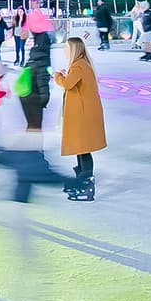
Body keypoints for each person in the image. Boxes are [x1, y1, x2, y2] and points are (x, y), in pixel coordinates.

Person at [54, 37, 106, 201]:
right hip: (83, 113)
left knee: (83, 149)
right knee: (80, 148)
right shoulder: (81, 64)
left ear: (73, 50)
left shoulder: (78, 65)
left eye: (66, 47)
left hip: (83, 115)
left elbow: (68, 84)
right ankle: (81, 181)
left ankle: (86, 185)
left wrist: (57, 76)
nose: (64, 50)